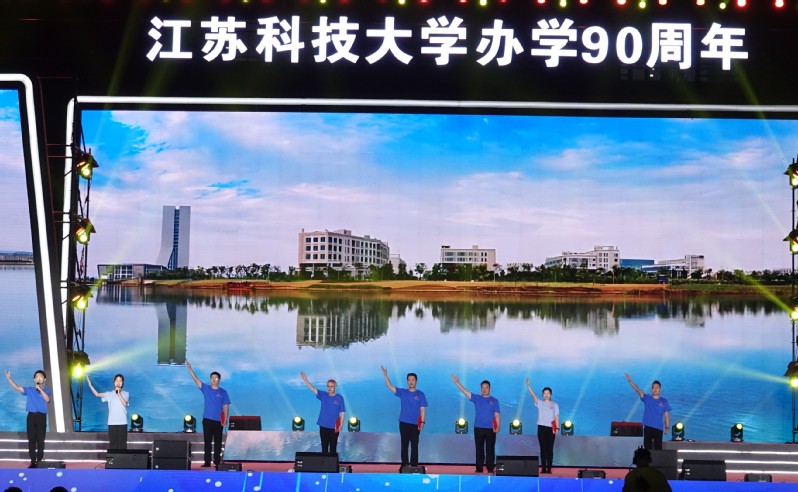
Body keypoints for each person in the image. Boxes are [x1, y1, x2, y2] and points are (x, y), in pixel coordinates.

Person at [380, 366, 428, 470]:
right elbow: (390, 387)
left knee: (414, 445)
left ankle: (414, 466)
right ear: (407, 381)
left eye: (413, 380)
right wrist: (385, 375)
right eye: (409, 380)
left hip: (415, 424)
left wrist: (423, 422)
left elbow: (423, 409)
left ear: (416, 381)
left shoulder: (420, 394)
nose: (411, 382)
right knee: (404, 444)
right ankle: (404, 465)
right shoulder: (403, 392)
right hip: (404, 422)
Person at [451, 374, 500, 474]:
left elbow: (497, 415)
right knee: (479, 449)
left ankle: (490, 468)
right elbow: (465, 391)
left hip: (490, 428)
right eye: (482, 388)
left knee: (490, 449)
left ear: (490, 389)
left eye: (486, 387)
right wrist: (457, 382)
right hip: (478, 428)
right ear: (480, 389)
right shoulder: (477, 398)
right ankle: (479, 468)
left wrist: (498, 426)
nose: (484, 389)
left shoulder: (494, 401)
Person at [186, 360, 230, 468]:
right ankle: (207, 462)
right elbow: (196, 379)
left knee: (218, 442)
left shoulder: (223, 392)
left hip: (218, 421)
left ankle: (217, 462)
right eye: (212, 377)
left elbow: (226, 406)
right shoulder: (206, 389)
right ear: (210, 379)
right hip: (207, 420)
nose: (213, 379)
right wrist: (190, 369)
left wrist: (225, 418)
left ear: (219, 380)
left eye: (216, 378)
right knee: (207, 442)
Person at [5, 369, 52, 468]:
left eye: (41, 377)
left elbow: (47, 400)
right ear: (34, 379)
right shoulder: (30, 390)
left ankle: (39, 461)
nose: (39, 378)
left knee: (40, 440)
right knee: (31, 440)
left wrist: (40, 389)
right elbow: (17, 387)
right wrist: (9, 379)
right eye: (37, 377)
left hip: (41, 417)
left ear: (44, 379)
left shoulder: (47, 390)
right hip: (31, 416)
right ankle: (33, 462)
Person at [300, 371, 345, 455]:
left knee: (333, 447)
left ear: (335, 386)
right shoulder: (323, 395)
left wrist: (341, 425)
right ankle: (324, 462)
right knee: (324, 447)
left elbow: (342, 412)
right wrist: (306, 380)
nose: (329, 388)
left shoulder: (339, 398)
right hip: (323, 424)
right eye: (328, 386)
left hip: (335, 425)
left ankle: (332, 463)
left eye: (331, 386)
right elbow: (313, 389)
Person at [625, 373, 671, 450]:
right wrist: (630, 381)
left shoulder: (664, 401)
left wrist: (667, 427)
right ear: (651, 389)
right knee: (647, 449)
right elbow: (637, 389)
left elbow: (666, 416)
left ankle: (657, 458)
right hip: (648, 427)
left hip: (658, 428)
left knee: (658, 449)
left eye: (657, 387)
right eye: (653, 387)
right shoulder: (647, 398)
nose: (655, 389)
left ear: (660, 389)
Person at [86, 373, 129, 450]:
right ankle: (113, 458)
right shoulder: (109, 394)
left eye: (120, 381)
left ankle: (122, 458)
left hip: (122, 422)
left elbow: (124, 403)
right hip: (112, 422)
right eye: (116, 380)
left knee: (122, 444)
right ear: (114, 382)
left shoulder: (126, 393)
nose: (118, 382)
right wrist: (90, 385)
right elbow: (97, 394)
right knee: (113, 444)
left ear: (122, 383)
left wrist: (118, 393)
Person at [525, 377, 559, 474]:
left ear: (551, 394)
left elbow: (557, 416)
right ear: (542, 394)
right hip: (541, 428)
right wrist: (528, 386)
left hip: (551, 428)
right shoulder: (540, 403)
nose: (546, 395)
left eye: (548, 393)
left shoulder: (554, 405)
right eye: (544, 393)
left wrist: (557, 428)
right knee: (543, 448)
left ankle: (549, 468)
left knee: (550, 449)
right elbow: (533, 395)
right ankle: (543, 468)